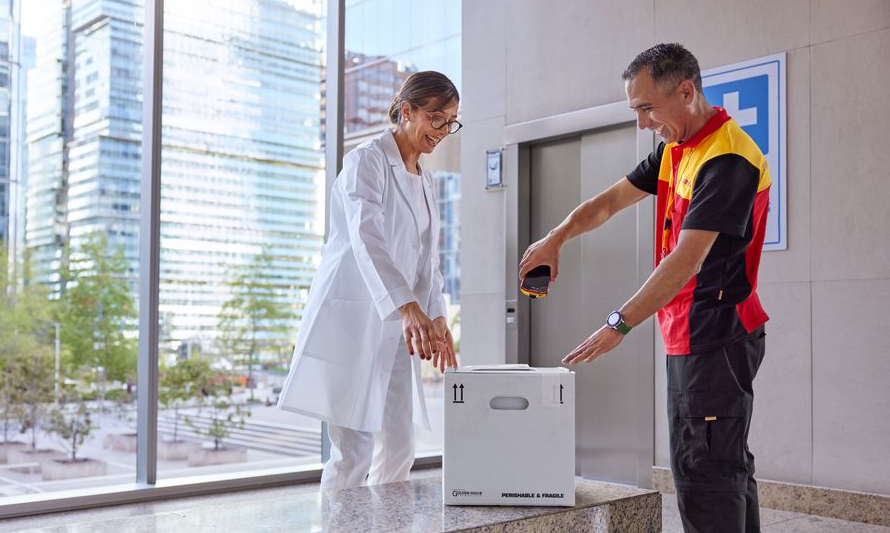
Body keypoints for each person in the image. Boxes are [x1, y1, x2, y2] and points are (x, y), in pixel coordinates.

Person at [519, 43, 770, 533]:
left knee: (706, 475)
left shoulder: (728, 158)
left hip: (716, 335)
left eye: (646, 108)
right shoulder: (678, 149)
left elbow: (687, 259)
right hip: (691, 333)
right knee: (723, 466)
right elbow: (609, 202)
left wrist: (619, 323)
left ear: (686, 90)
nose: (642, 123)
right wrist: (557, 238)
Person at [278, 71, 461, 495]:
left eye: (451, 122)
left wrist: (435, 315)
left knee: (400, 445)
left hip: (399, 327)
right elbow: (368, 239)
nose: (443, 131)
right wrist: (407, 306)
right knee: (352, 453)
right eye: (436, 118)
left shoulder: (426, 179)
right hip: (356, 319)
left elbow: (426, 260)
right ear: (407, 110)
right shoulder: (367, 160)